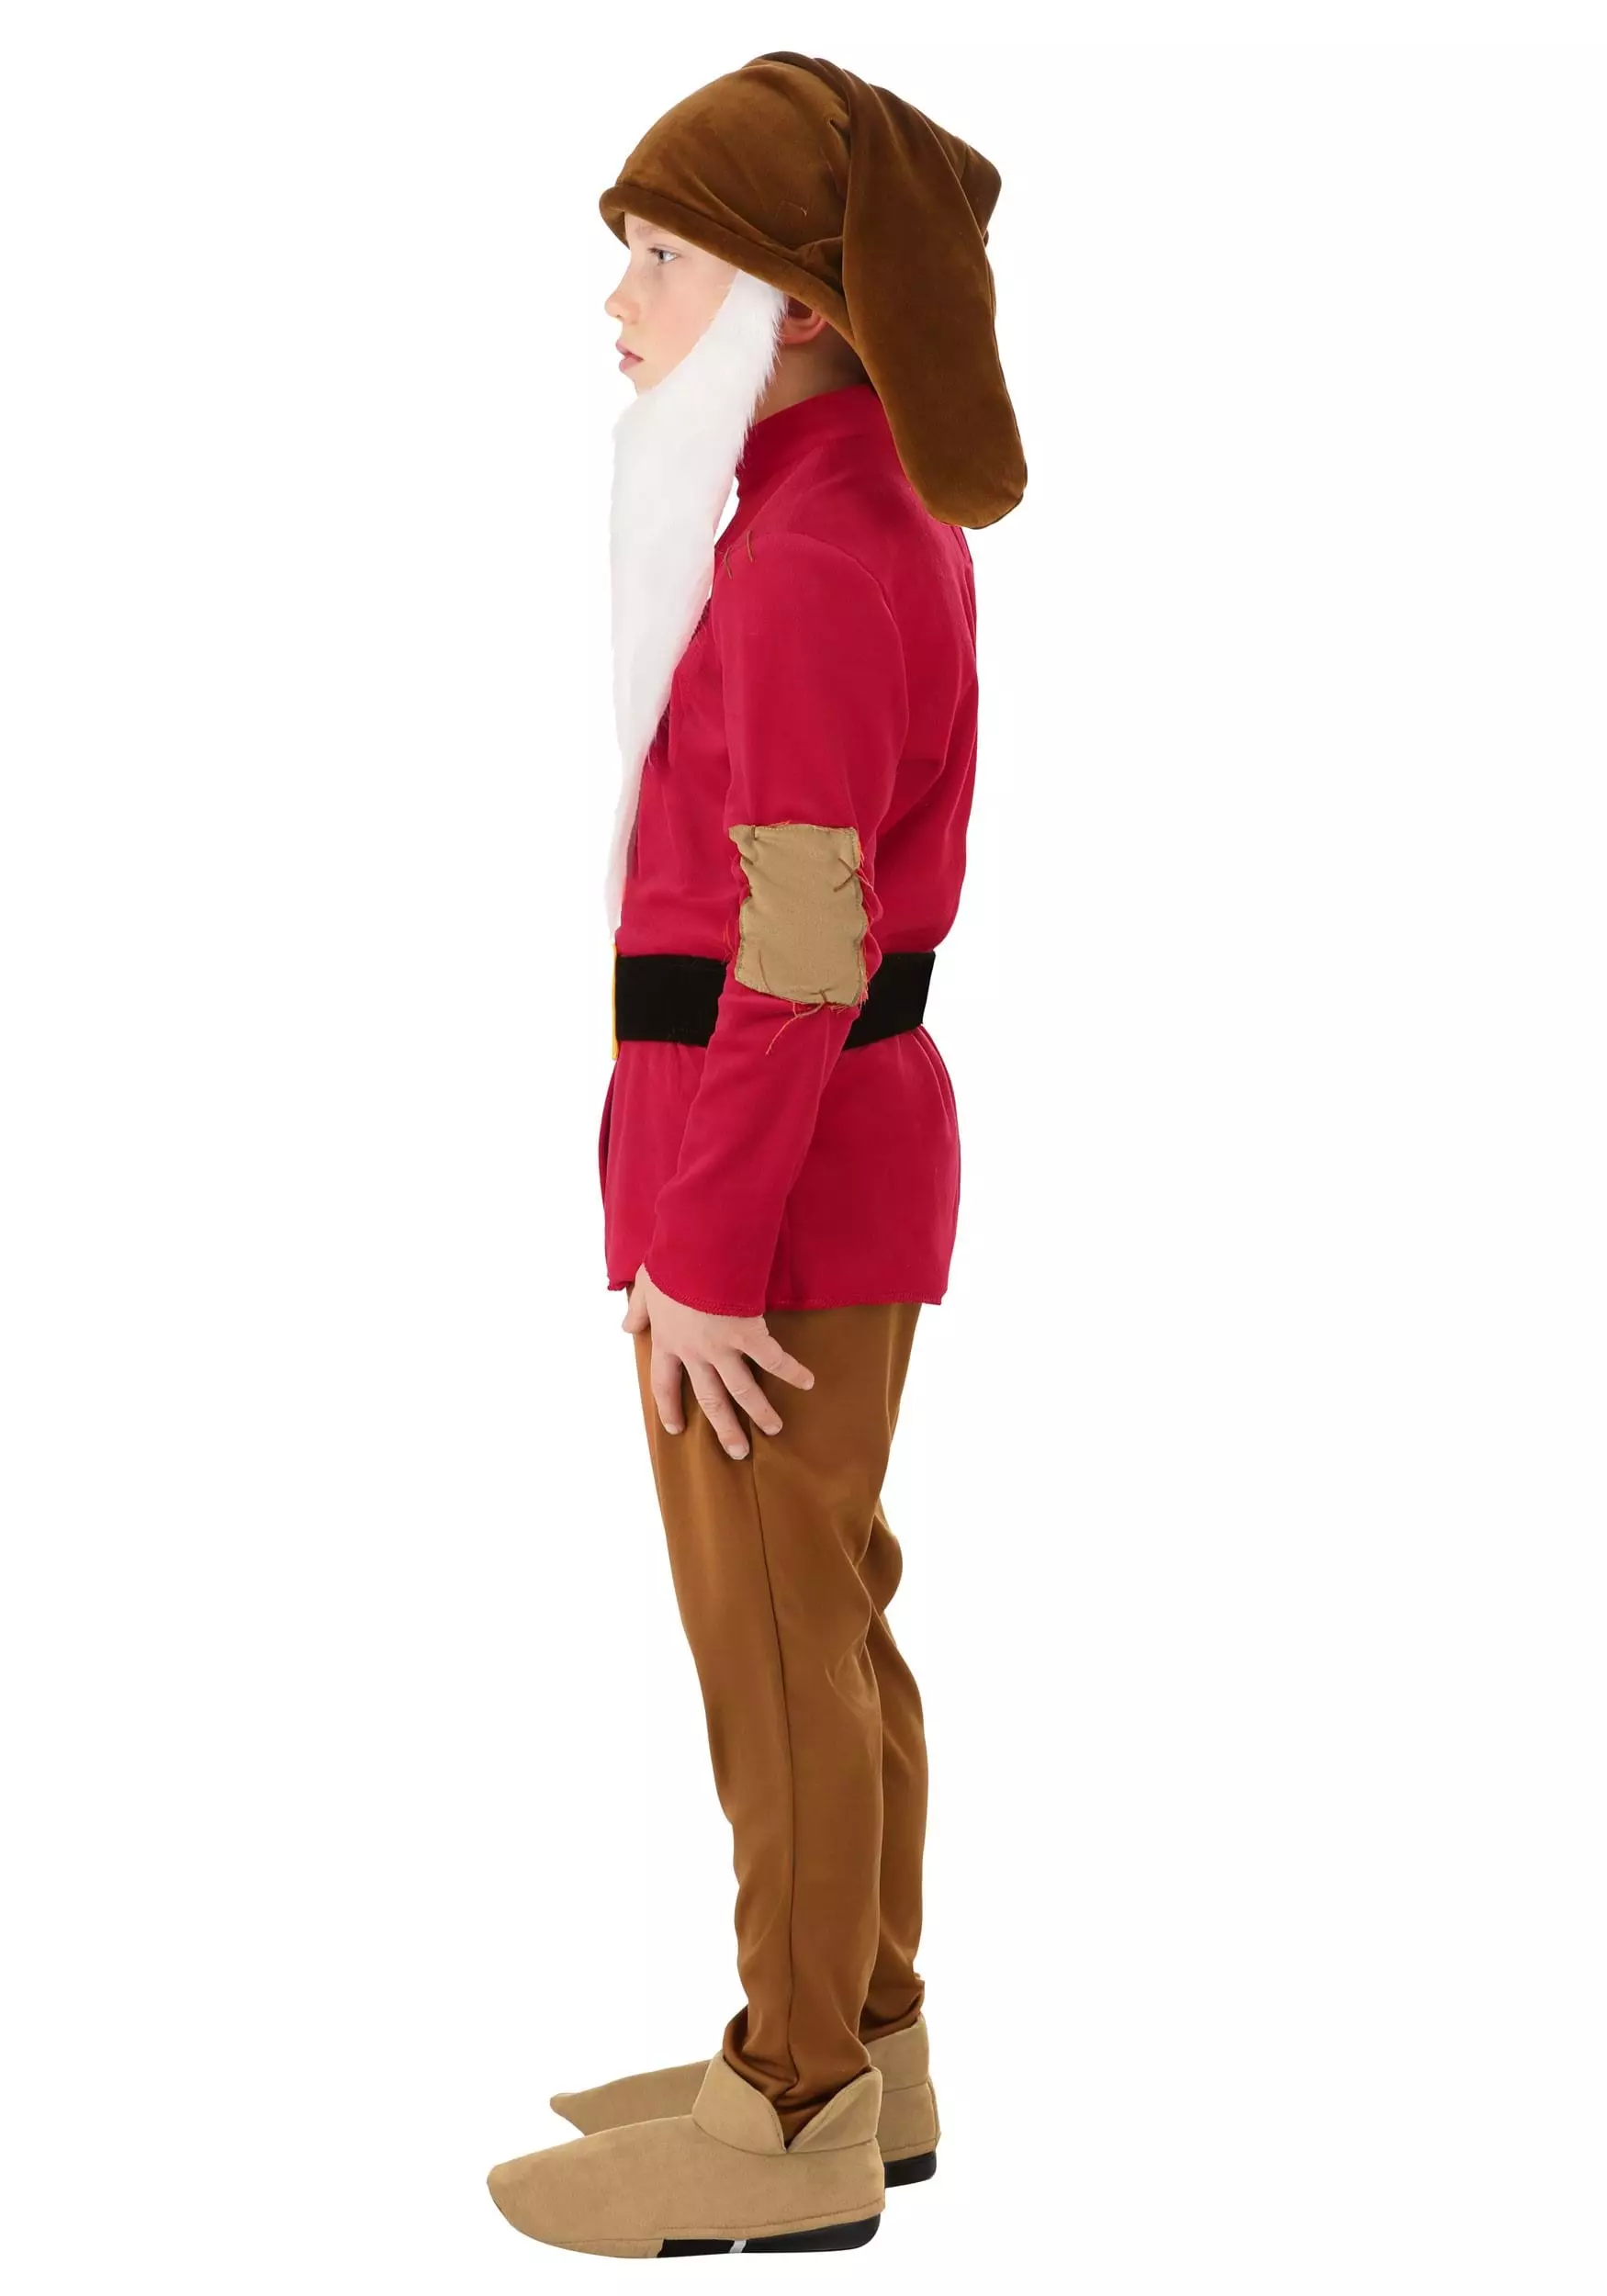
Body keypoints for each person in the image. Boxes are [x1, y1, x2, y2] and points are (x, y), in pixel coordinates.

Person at [487, 51, 1026, 2259]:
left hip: (770, 1187)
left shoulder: (810, 550)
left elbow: (796, 944)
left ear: (797, 301)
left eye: (659, 254)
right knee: (827, 1616)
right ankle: (861, 2032)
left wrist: (696, 1248)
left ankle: (788, 2099)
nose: (616, 299)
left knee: (776, 1653)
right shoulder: (826, 505)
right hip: (794, 1160)